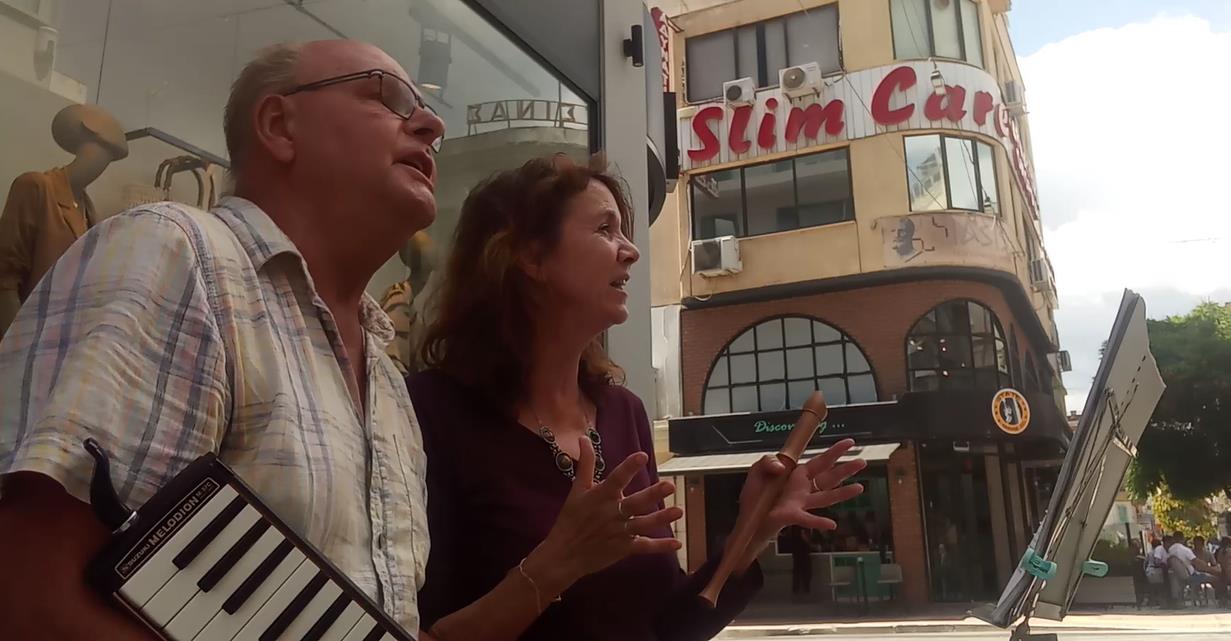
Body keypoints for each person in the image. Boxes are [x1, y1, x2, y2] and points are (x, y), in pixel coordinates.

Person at [0, 39, 457, 639]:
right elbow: (34, 604)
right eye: (387, 96)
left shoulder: (391, 384)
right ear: (279, 126)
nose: (430, 124)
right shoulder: (177, 252)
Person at [407, 154, 868, 641]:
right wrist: (554, 566)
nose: (631, 252)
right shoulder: (432, 412)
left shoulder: (623, 412)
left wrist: (750, 533)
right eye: (605, 229)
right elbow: (417, 628)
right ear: (531, 256)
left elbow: (664, 629)